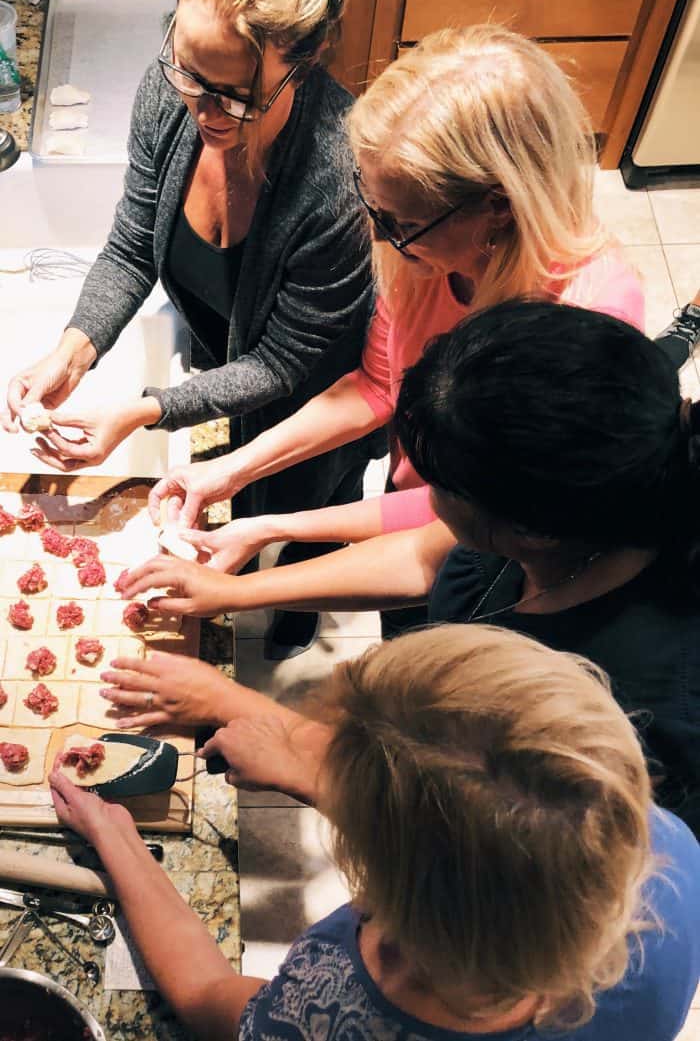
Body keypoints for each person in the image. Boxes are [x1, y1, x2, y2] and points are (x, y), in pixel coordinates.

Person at [113, 301, 700, 834]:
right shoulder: (572, 520)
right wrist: (230, 591)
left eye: (438, 486)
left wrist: (258, 720)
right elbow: (426, 555)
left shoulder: (632, 711)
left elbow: (464, 834)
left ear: (529, 528)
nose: (420, 494)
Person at [142, 24, 645, 635]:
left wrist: (264, 545)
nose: (380, 238)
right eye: (373, 209)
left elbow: (443, 547)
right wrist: (228, 472)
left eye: (400, 223)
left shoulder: (579, 332)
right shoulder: (427, 258)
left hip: (502, 588)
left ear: (498, 206)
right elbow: (378, 387)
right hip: (434, 513)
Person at [51, 625, 700, 1040]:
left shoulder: (326, 1012)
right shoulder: (657, 843)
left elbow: (210, 998)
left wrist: (117, 837)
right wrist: (316, 771)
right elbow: (484, 828)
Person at [1, 0, 385, 659]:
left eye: (231, 95)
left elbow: (281, 365)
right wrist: (74, 347)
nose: (200, 108)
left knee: (302, 504)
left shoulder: (339, 176)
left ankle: (298, 606)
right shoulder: (170, 87)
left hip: (315, 395)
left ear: (301, 58)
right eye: (187, 74)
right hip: (231, 356)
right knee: (229, 491)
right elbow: (131, 244)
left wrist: (149, 409)